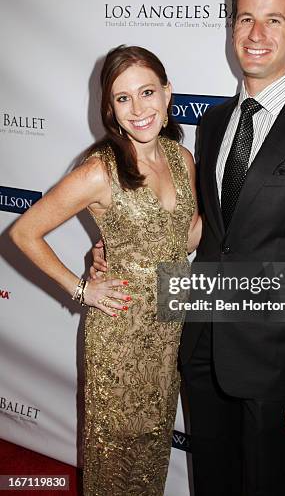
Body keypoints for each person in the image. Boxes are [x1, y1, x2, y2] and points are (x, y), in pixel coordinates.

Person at [92, 0, 285, 495]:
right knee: (214, 480)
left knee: (266, 483)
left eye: (274, 21)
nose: (256, 35)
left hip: (278, 353)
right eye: (245, 18)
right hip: (202, 338)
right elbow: (204, 229)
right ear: (231, 27)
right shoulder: (216, 122)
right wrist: (120, 250)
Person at [10, 45, 201, 496]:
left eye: (147, 92)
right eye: (122, 98)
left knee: (153, 452)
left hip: (167, 330)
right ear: (109, 108)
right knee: (113, 461)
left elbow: (187, 237)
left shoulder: (180, 158)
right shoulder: (100, 170)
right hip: (119, 337)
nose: (138, 109)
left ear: (168, 93)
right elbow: (24, 233)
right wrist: (82, 289)